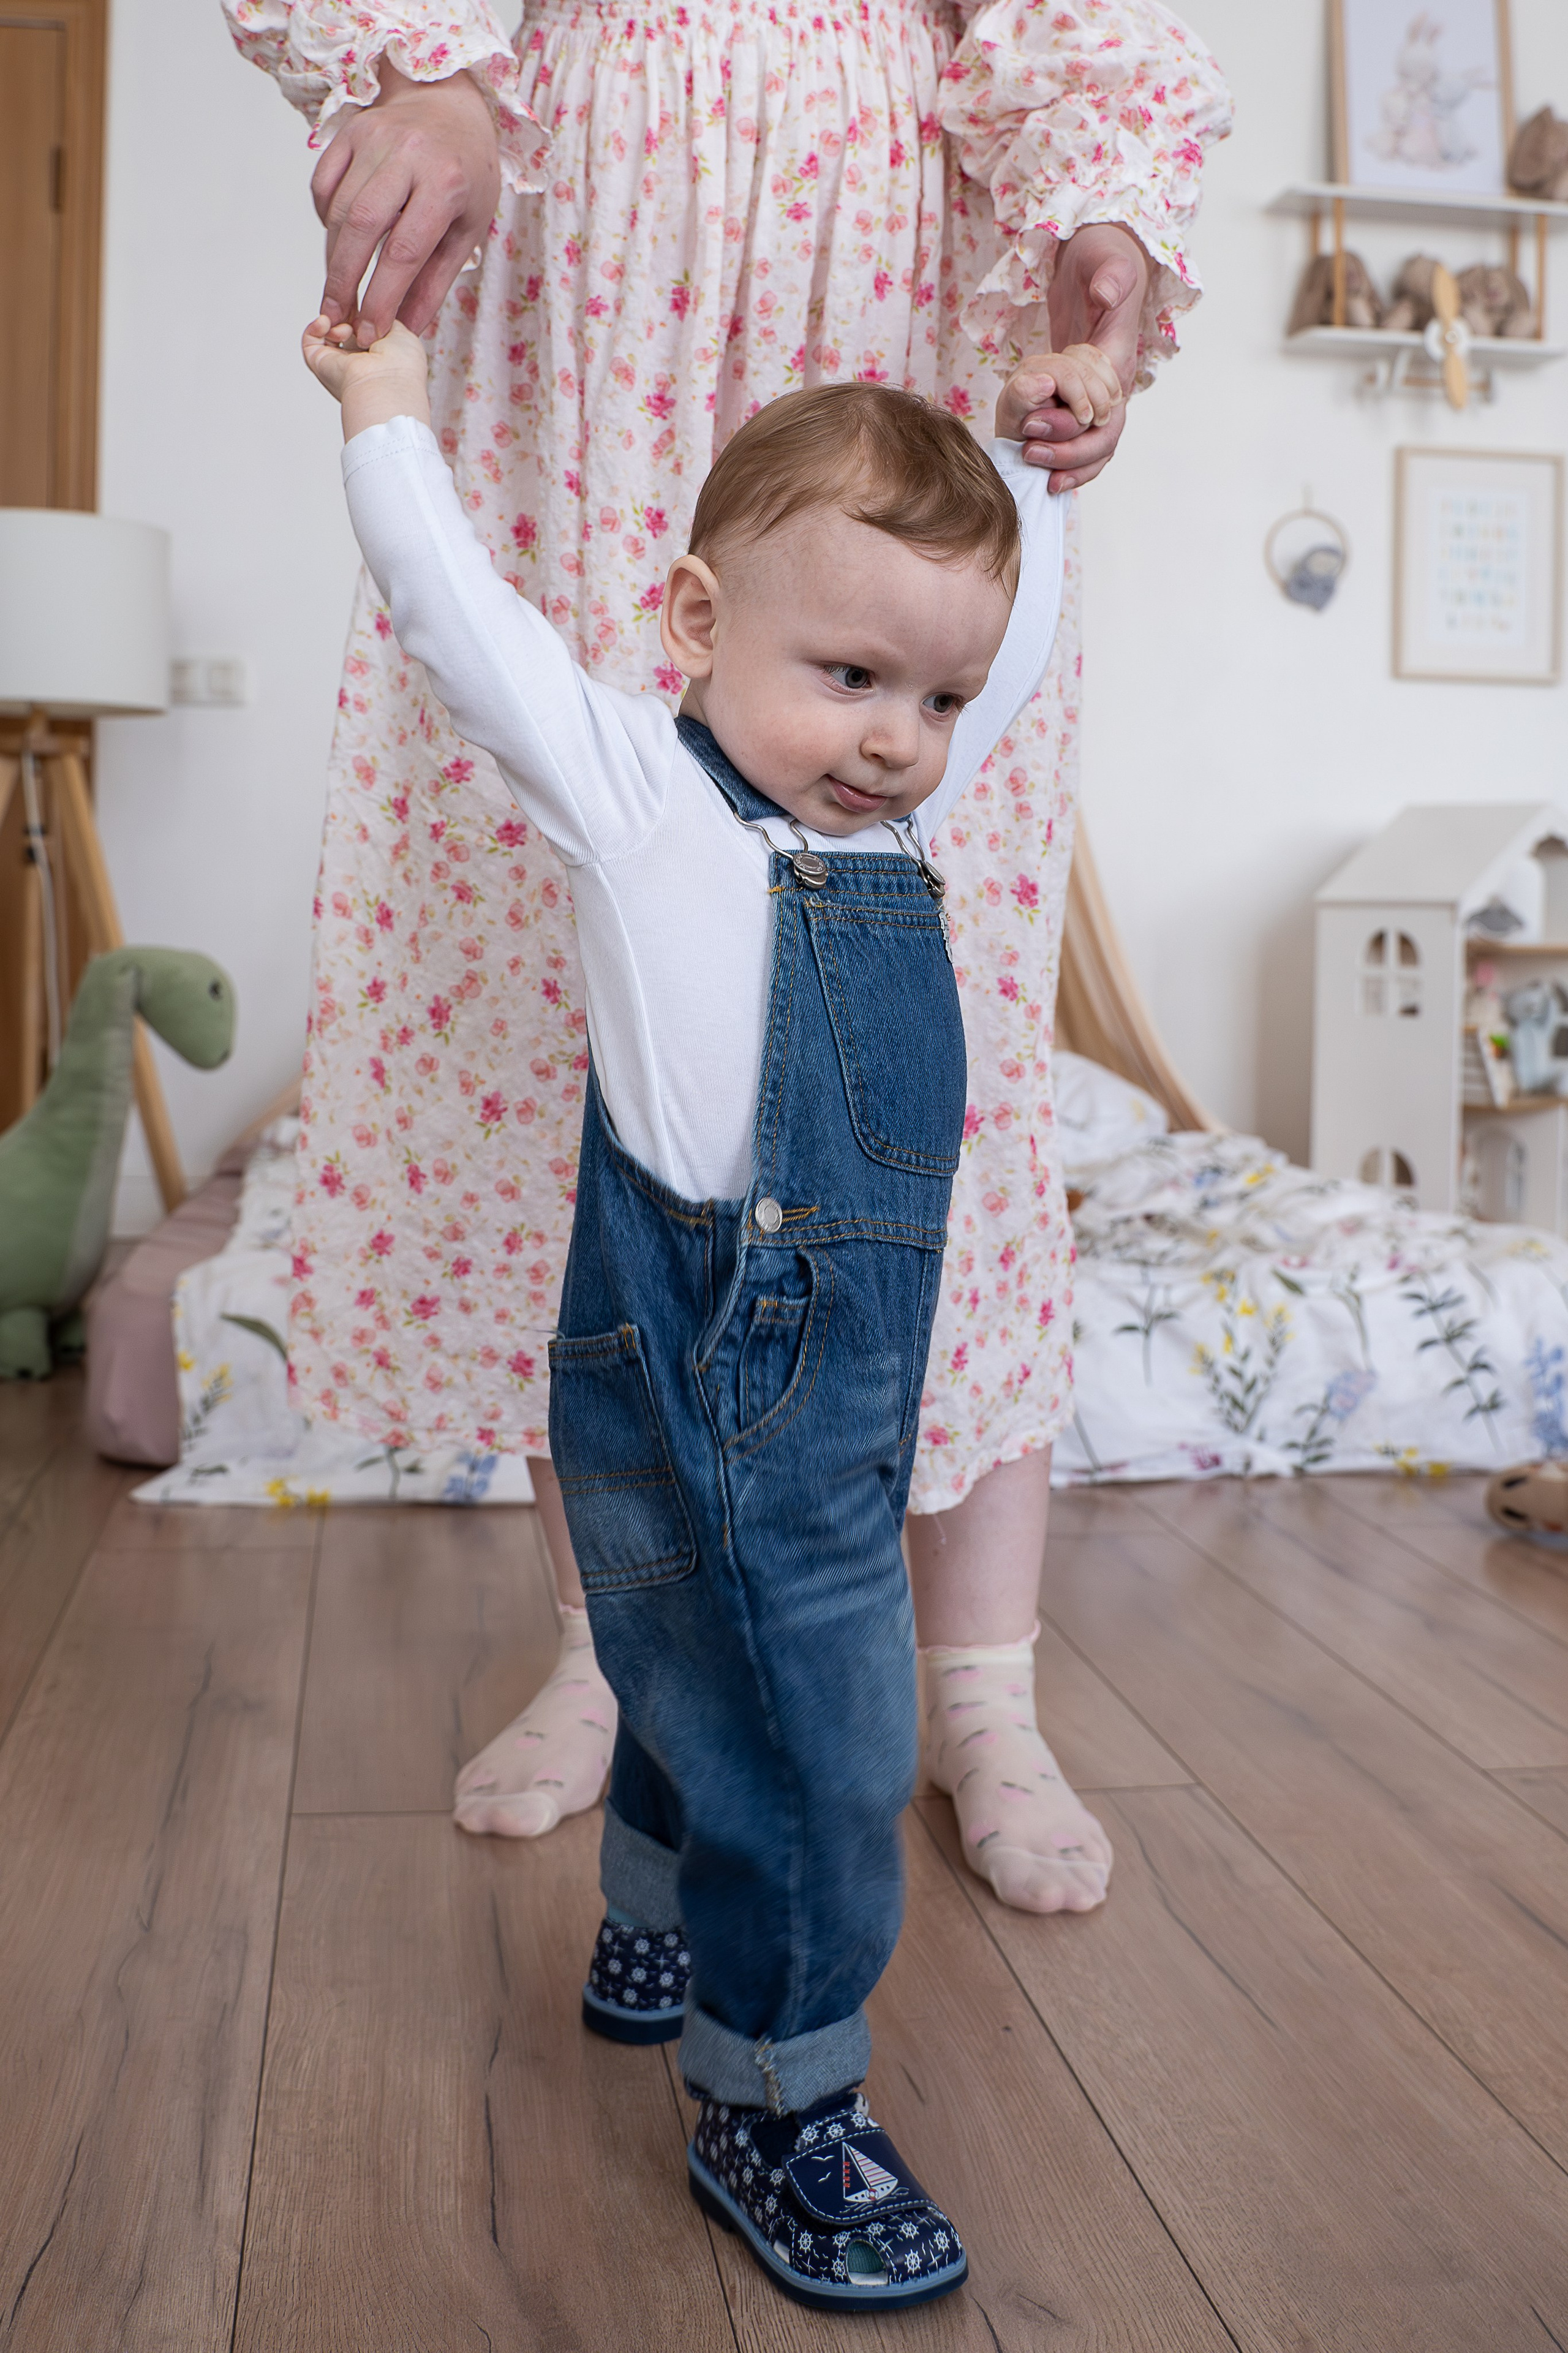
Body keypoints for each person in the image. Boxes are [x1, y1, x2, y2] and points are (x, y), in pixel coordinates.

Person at [227, 0, 1231, 1913]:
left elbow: (1078, 40)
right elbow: (454, 616)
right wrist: (424, 83)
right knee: (558, 1044)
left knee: (949, 1095)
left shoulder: (932, 700)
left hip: (886, 266)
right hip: (587, 275)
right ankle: (611, 1648)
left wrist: (1096, 236)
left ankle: (983, 1685)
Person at [304, 306, 1091, 2306]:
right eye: (849, 677)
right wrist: (389, 410)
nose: (899, 737)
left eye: (934, 696)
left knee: (683, 1663)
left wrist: (1054, 471)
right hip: (704, 1364)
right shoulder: (633, 797)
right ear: (693, 622)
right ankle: (778, 2099)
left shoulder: (899, 820)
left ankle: (653, 1921)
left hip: (824, 1392)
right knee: (829, 1749)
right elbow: (455, 617)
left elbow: (1014, 641)